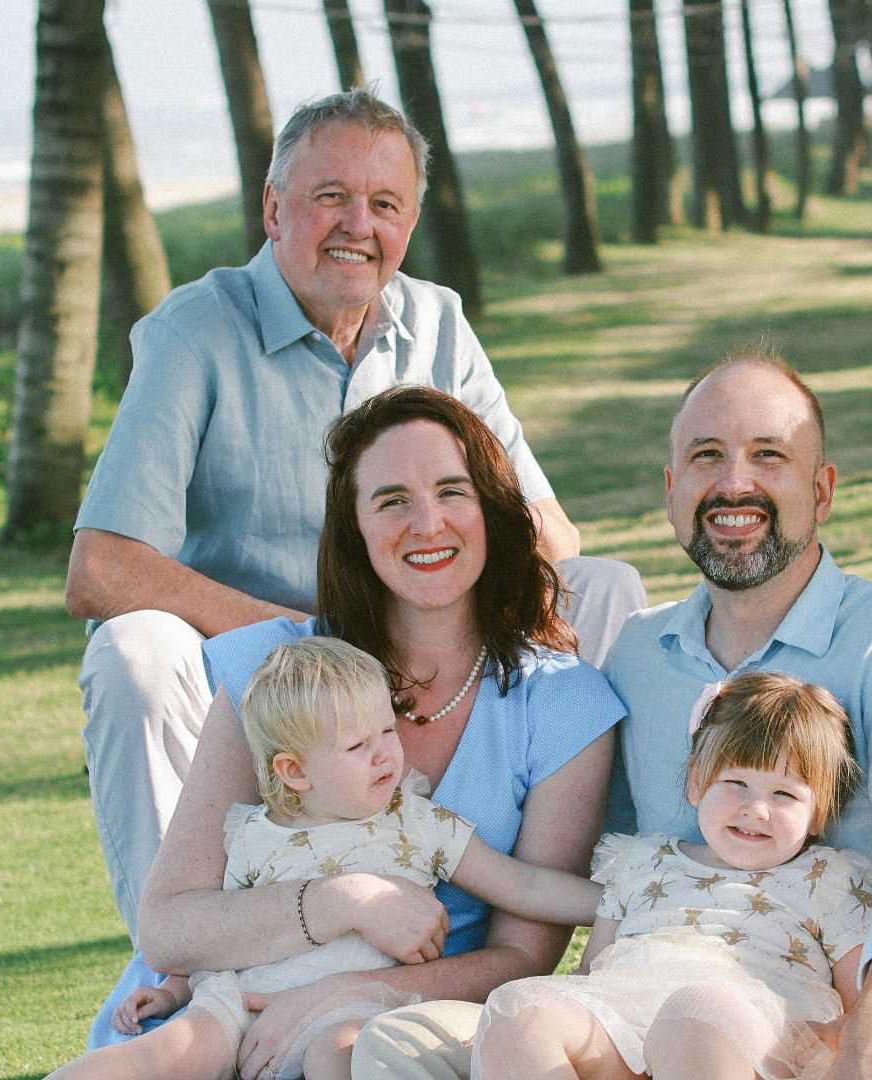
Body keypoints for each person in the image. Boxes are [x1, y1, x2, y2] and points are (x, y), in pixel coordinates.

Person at [64, 86, 644, 958]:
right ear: (272, 207)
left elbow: (546, 530)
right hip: (266, 663)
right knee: (132, 653)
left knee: (605, 585)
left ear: (410, 220)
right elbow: (101, 570)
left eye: (385, 204)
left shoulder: (436, 320)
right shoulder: (193, 331)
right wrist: (322, 645)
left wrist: (461, 599)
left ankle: (633, 910)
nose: (357, 226)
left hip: (427, 629)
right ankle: (179, 955)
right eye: (330, 196)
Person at [443, 350, 872, 1080]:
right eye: (707, 456)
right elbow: (608, 862)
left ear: (822, 489)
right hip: (649, 1027)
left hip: (869, 1031)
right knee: (398, 1044)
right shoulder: (642, 651)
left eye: (768, 456)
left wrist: (871, 1042)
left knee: (704, 1023)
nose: (733, 482)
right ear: (673, 491)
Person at [132, 385, 627, 1080]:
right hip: (215, 1006)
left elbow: (524, 956)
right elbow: (168, 926)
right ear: (354, 529)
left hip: (392, 1027)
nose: (427, 523)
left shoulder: (564, 703)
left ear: (492, 511)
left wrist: (350, 993)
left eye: (453, 492)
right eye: (392, 499)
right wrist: (342, 902)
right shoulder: (278, 671)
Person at [49, 637, 603, 1080]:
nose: (386, 750)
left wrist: (618, 897)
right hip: (236, 1002)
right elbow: (220, 938)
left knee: (341, 1054)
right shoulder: (254, 834)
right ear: (295, 771)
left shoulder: (415, 824)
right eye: (358, 746)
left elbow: (525, 887)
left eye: (388, 728)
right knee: (173, 1051)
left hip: (347, 1007)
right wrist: (171, 990)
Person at [472, 671, 872, 1080]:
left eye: (783, 794)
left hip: (741, 1044)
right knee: (522, 1010)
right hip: (624, 1034)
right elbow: (589, 973)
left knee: (696, 1014)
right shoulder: (643, 859)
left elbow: (863, 1011)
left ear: (819, 810)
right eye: (736, 782)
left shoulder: (827, 878)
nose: (755, 809)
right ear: (697, 782)